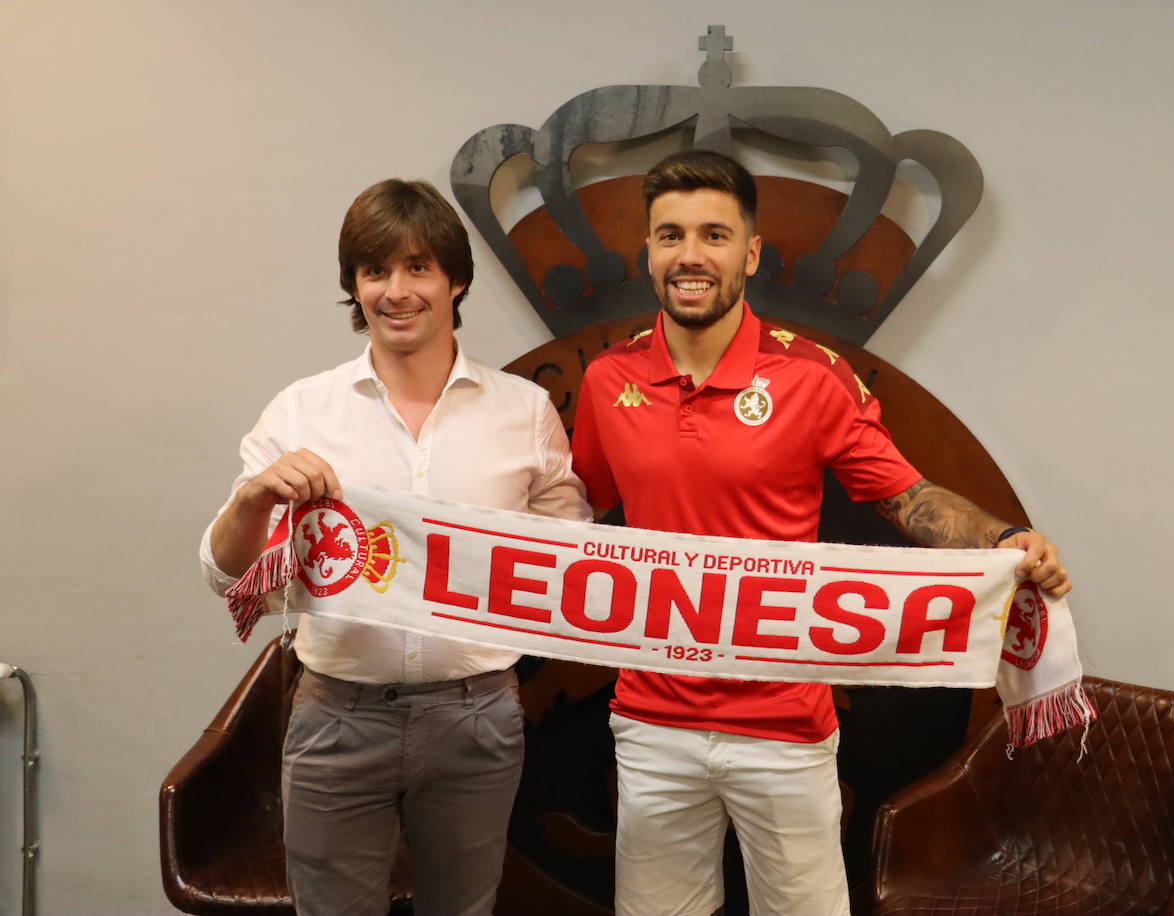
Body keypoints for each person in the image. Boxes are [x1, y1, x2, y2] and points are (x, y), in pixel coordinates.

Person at [571, 150, 1071, 916]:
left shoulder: (810, 376)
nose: (691, 255)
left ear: (751, 252)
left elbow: (907, 497)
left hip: (785, 723)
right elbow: (564, 518)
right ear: (648, 251)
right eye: (670, 235)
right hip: (651, 720)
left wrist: (1004, 536)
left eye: (714, 234)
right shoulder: (610, 380)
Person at [199, 178, 591, 916]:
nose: (396, 291)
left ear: (456, 280)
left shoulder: (525, 412)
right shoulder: (302, 410)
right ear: (354, 285)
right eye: (376, 271)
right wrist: (254, 498)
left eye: (418, 268)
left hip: (476, 719)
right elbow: (226, 576)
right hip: (337, 716)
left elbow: (567, 558)